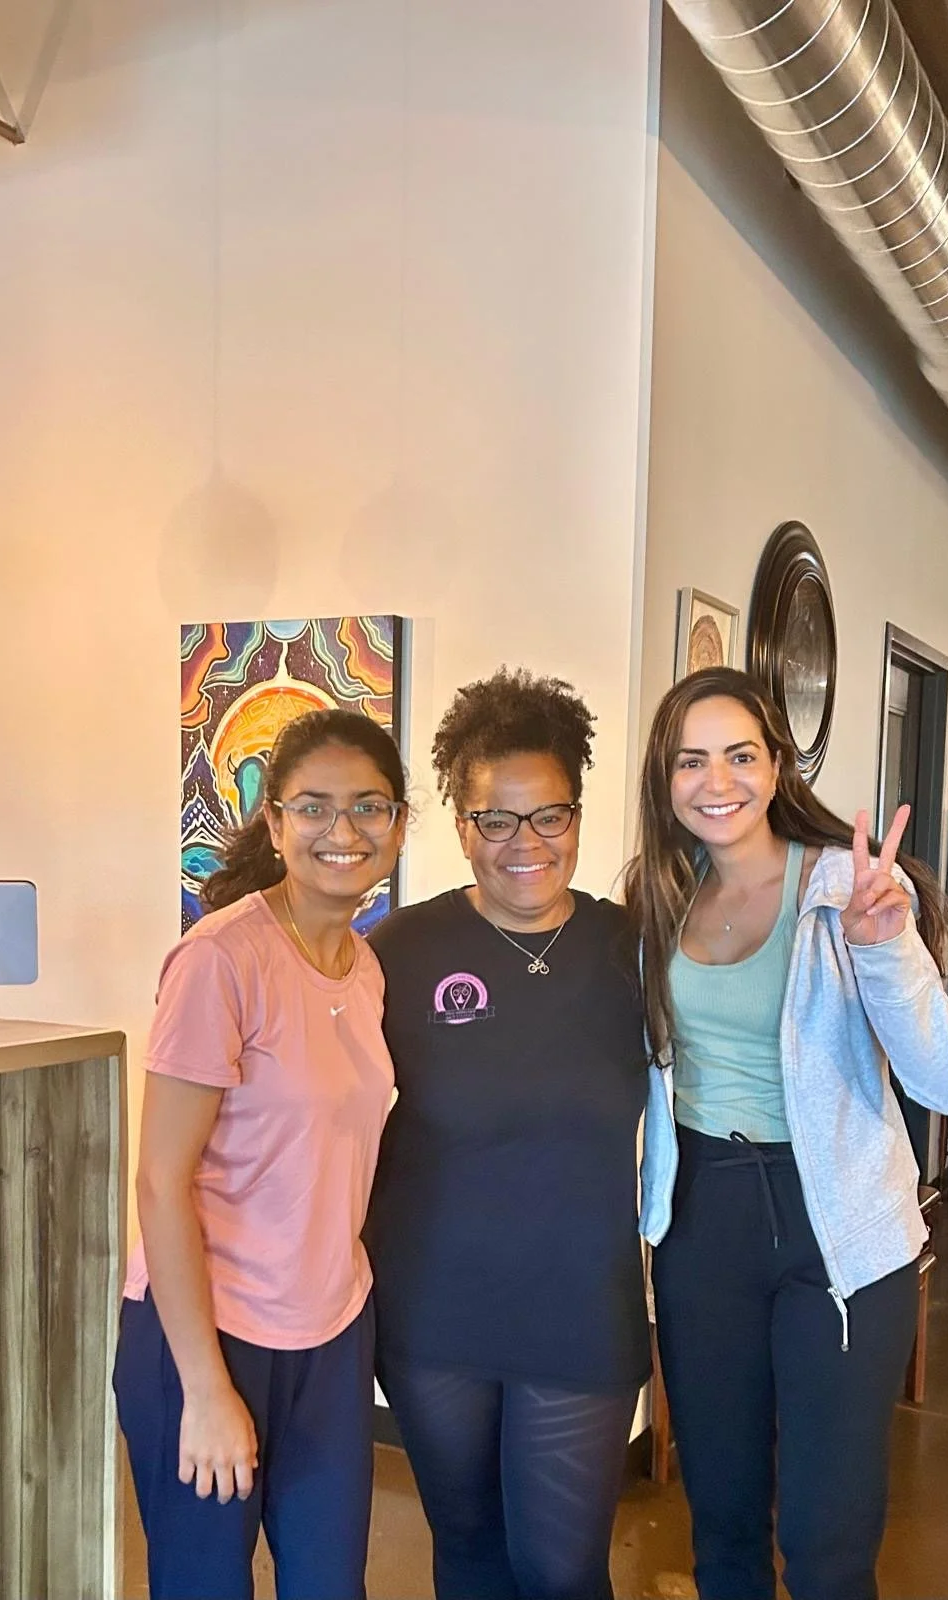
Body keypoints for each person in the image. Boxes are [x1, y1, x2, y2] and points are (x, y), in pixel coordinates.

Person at [627, 667, 948, 1600]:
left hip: (840, 1230)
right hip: (702, 1222)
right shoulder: (657, 894)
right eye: (690, 759)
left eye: (740, 754)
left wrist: (885, 945)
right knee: (724, 1518)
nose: (718, 781)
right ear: (663, 779)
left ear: (778, 764)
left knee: (827, 1540)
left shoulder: (849, 890)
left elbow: (945, 1077)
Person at [365, 667, 650, 1600]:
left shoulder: (633, 948)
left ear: (576, 814)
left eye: (549, 816)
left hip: (579, 1313)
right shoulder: (400, 952)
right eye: (496, 819)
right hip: (433, 1312)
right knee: (471, 1555)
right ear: (460, 824)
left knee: (562, 1573)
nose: (523, 843)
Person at [114, 709, 407, 1600]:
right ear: (274, 822)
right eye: (313, 807)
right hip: (207, 1334)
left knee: (330, 1585)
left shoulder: (365, 966)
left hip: (327, 1330)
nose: (342, 831)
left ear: (398, 823)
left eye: (368, 806)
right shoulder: (220, 960)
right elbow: (161, 1182)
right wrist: (205, 1391)